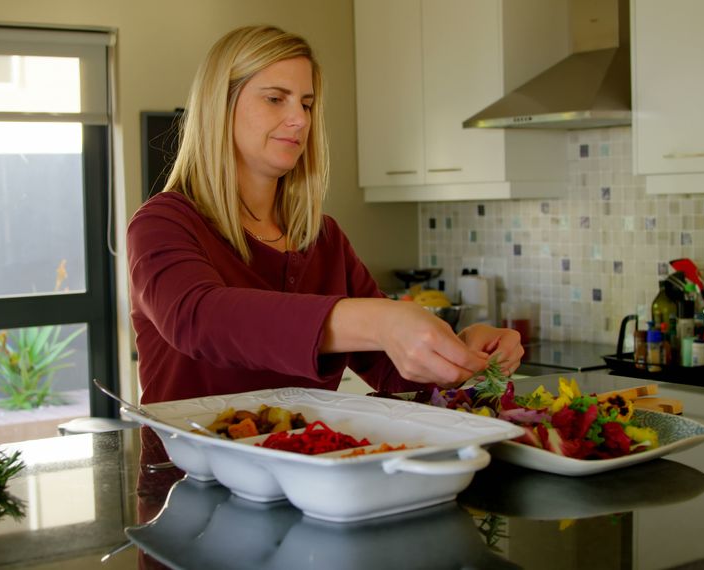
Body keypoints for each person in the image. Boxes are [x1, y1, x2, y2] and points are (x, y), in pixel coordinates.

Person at [127, 25, 523, 404]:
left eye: (307, 103)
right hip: (185, 473)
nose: (300, 119)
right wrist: (382, 320)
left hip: (309, 470)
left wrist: (462, 352)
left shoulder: (323, 238)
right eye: (275, 98)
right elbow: (200, 319)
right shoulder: (164, 223)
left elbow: (395, 372)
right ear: (220, 107)